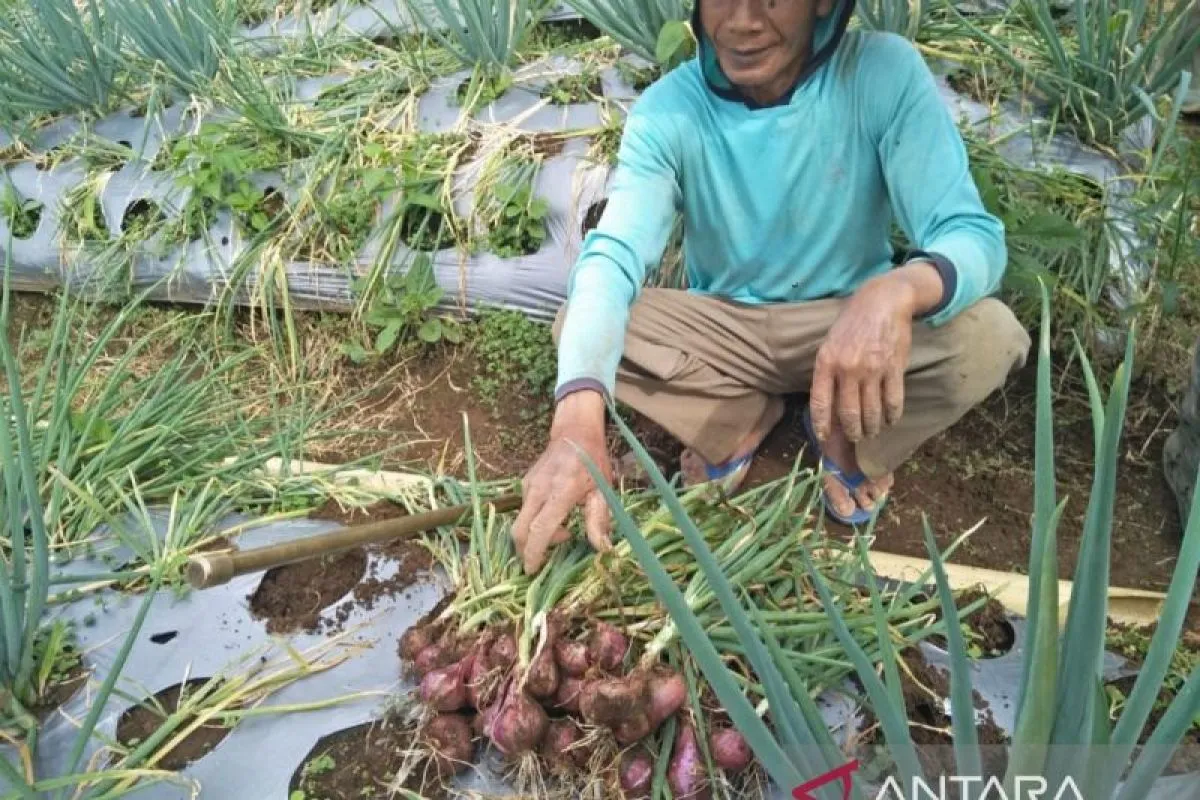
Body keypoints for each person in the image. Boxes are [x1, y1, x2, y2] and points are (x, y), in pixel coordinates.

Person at [511, 0, 1032, 575]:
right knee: (580, 323)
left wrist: (895, 291)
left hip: (845, 329)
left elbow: (971, 234)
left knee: (989, 337)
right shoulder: (672, 111)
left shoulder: (880, 76)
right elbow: (614, 257)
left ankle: (845, 435)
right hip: (728, 327)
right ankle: (741, 417)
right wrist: (577, 426)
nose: (742, 21)